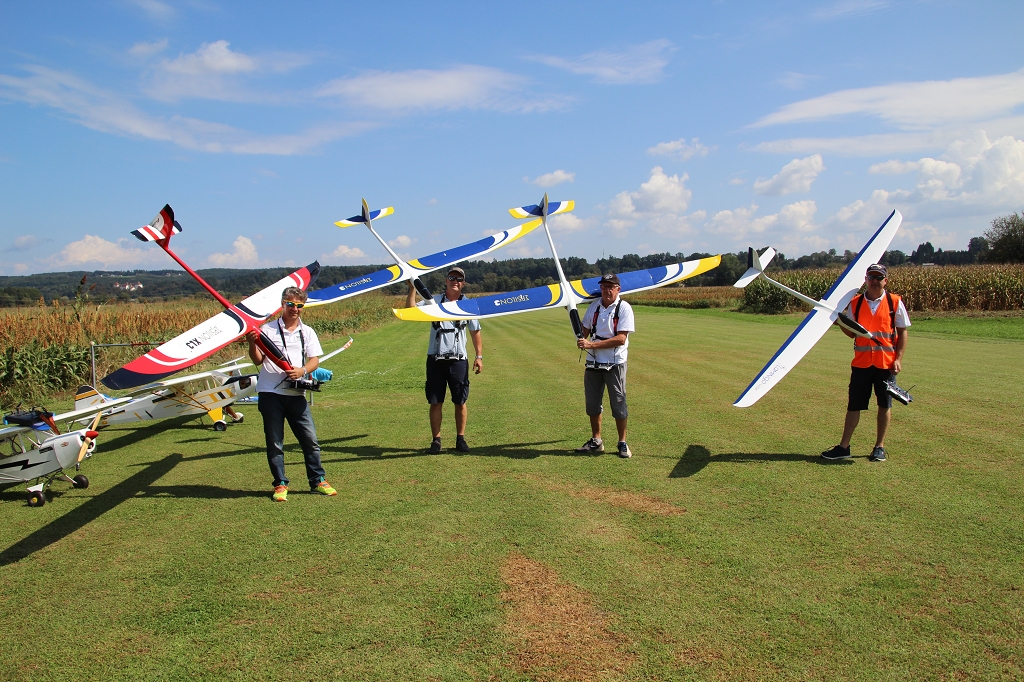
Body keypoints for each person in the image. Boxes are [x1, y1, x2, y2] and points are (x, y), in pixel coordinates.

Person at [247, 286, 336, 501]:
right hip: (270, 393)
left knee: (310, 440)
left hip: (296, 394)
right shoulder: (267, 330)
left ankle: (318, 480)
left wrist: (302, 371)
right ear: (282, 304)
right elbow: (258, 360)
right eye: (290, 304)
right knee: (275, 442)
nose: (294, 309)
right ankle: (280, 484)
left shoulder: (307, 332)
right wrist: (252, 342)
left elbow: (314, 359)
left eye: (299, 305)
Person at [821, 263, 910, 462]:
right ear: (866, 280)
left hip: (886, 364)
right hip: (861, 363)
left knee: (884, 405)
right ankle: (844, 447)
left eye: (879, 277)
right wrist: (838, 322)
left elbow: (903, 331)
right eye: (871, 277)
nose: (875, 281)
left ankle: (879, 447)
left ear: (886, 280)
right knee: (854, 405)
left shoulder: (895, 302)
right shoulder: (856, 303)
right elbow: (852, 332)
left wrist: (898, 359)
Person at [405, 267, 482, 454]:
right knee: (435, 401)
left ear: (463, 283)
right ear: (446, 281)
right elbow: (410, 310)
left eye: (459, 279)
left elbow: (475, 332)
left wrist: (479, 356)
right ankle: (436, 441)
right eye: (451, 278)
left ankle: (460, 439)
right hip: (435, 359)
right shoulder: (433, 301)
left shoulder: (468, 305)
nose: (455, 281)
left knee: (460, 401)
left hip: (459, 360)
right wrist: (412, 288)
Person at [575, 273, 636, 458]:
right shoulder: (594, 307)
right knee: (592, 404)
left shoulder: (624, 308)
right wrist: (571, 313)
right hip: (593, 362)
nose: (606, 290)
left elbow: (621, 338)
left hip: (615, 363)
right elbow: (583, 332)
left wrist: (591, 345)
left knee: (618, 403)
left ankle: (622, 442)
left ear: (618, 289)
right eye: (603, 287)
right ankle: (596, 441)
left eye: (610, 287)